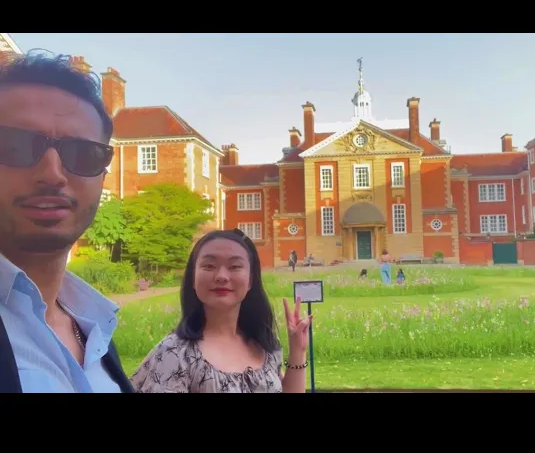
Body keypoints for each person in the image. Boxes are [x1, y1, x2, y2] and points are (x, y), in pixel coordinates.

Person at [0, 51, 134, 393]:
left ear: (102, 177)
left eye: (82, 154)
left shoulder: (92, 328)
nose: (52, 174)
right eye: (15, 146)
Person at [129, 228, 311, 393]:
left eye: (235, 267)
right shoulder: (175, 354)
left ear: (250, 281)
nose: (222, 276)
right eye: (209, 266)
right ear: (193, 279)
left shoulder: (262, 345)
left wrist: (298, 350)